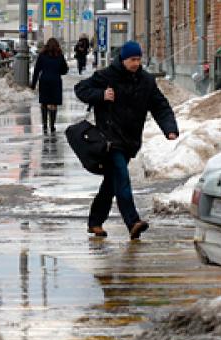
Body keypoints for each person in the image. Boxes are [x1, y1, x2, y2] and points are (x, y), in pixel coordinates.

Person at [75, 40, 178, 240]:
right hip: (110, 139)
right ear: (123, 59)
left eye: (139, 59)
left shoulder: (146, 81)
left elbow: (160, 106)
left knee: (111, 183)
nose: (136, 63)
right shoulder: (106, 76)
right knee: (122, 177)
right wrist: (101, 95)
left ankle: (95, 221)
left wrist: (170, 128)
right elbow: (81, 89)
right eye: (132, 59)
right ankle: (132, 222)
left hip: (130, 140)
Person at [30, 38, 68, 134]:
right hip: (55, 81)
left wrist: (33, 84)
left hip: (44, 81)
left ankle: (44, 125)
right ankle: (52, 125)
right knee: (53, 104)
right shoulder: (59, 55)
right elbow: (65, 70)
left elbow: (36, 70)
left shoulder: (42, 56)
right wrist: (57, 70)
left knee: (44, 102)